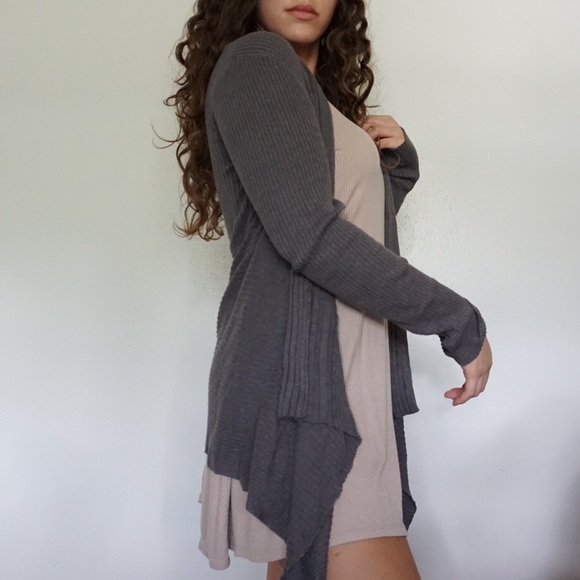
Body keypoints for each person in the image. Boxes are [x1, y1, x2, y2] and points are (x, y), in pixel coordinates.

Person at [163, 1, 493, 579]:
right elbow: (310, 238)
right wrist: (457, 320)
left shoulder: (310, 96)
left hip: (330, 376)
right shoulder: (259, 60)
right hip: (306, 387)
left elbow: (348, 234)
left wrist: (396, 170)